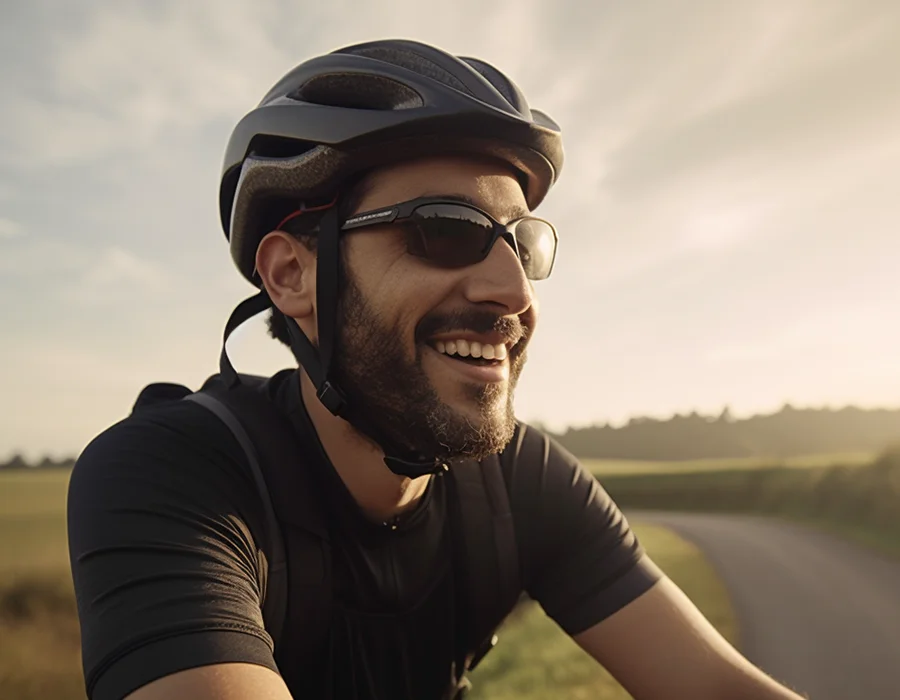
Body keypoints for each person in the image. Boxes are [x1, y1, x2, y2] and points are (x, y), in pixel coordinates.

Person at [67, 39, 806, 700]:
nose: (515, 292)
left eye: (523, 244)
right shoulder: (172, 476)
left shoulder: (521, 482)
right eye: (445, 229)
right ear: (292, 275)